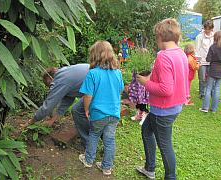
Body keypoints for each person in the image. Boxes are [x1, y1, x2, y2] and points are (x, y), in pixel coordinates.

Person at [135, 18, 189, 180]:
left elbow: (166, 89)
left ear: (160, 36)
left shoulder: (164, 57)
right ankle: (150, 168)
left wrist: (145, 82)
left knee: (165, 146)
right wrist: (152, 76)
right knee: (146, 130)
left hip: (163, 110)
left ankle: (170, 177)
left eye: (155, 37)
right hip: (172, 107)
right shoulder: (180, 53)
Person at [78, 41, 124, 176]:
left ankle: (88, 160)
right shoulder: (118, 73)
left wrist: (86, 109)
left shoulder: (92, 74)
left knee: (94, 135)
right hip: (114, 113)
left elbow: (88, 95)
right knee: (110, 140)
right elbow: (120, 90)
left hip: (98, 113)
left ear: (94, 56)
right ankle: (106, 167)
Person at [21, 64, 91, 147]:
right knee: (78, 110)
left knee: (78, 111)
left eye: (49, 85)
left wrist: (31, 122)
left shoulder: (60, 80)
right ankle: (91, 138)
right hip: (102, 82)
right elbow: (67, 101)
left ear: (50, 78)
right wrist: (52, 120)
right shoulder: (64, 72)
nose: (51, 87)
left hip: (100, 88)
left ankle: (88, 144)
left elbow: (47, 107)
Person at [200, 31, 221, 113]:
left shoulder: (213, 47)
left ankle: (205, 108)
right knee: (217, 89)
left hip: (213, 70)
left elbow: (208, 59)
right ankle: (214, 109)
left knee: (208, 88)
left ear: (215, 38)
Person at [195, 20, 214, 99]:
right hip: (202, 60)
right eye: (206, 28)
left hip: (211, 61)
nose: (207, 30)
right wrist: (198, 60)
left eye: (209, 29)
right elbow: (197, 49)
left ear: (212, 28)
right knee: (202, 77)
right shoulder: (199, 37)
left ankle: (210, 93)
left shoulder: (214, 36)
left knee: (211, 77)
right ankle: (202, 93)